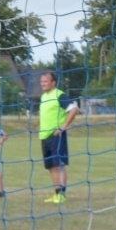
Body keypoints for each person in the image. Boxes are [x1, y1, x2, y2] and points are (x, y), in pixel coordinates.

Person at [36, 72, 79, 204]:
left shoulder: (59, 95)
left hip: (56, 136)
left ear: (53, 82)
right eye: (41, 81)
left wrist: (63, 127)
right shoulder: (43, 97)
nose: (43, 83)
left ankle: (62, 194)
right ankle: (56, 194)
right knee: (51, 166)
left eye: (46, 81)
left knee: (58, 165)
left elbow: (74, 109)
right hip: (44, 136)